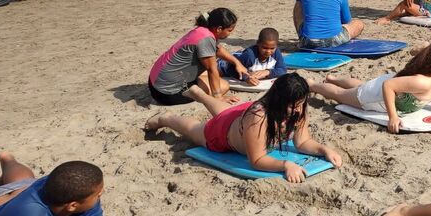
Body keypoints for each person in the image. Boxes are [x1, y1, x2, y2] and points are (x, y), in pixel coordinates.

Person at [145, 73, 342, 181]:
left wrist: (324, 149)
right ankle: (167, 118)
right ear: (278, 100)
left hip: (240, 118)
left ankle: (202, 96)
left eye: (300, 104)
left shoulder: (298, 107)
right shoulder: (258, 117)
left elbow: (303, 142)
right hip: (222, 134)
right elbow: (256, 160)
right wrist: (285, 165)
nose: (296, 110)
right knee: (196, 130)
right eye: (291, 105)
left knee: (225, 112)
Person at [311, 40, 431, 133]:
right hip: (376, 97)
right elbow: (388, 86)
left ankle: (334, 78)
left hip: (387, 86)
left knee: (360, 86)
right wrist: (393, 117)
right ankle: (313, 85)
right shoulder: (423, 82)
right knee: (340, 95)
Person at [149, 8, 249, 106]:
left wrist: (237, 63)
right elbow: (211, 69)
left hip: (155, 82)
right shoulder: (206, 39)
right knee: (224, 86)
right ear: (219, 29)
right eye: (229, 30)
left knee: (213, 74)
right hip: (166, 93)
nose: (231, 33)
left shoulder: (203, 30)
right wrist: (218, 97)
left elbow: (218, 49)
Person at [217, 27, 287, 85]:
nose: (268, 51)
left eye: (272, 48)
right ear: (258, 43)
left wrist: (268, 72)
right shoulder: (249, 56)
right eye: (264, 48)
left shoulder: (276, 52)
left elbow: (283, 69)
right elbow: (232, 69)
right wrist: (246, 78)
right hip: (225, 65)